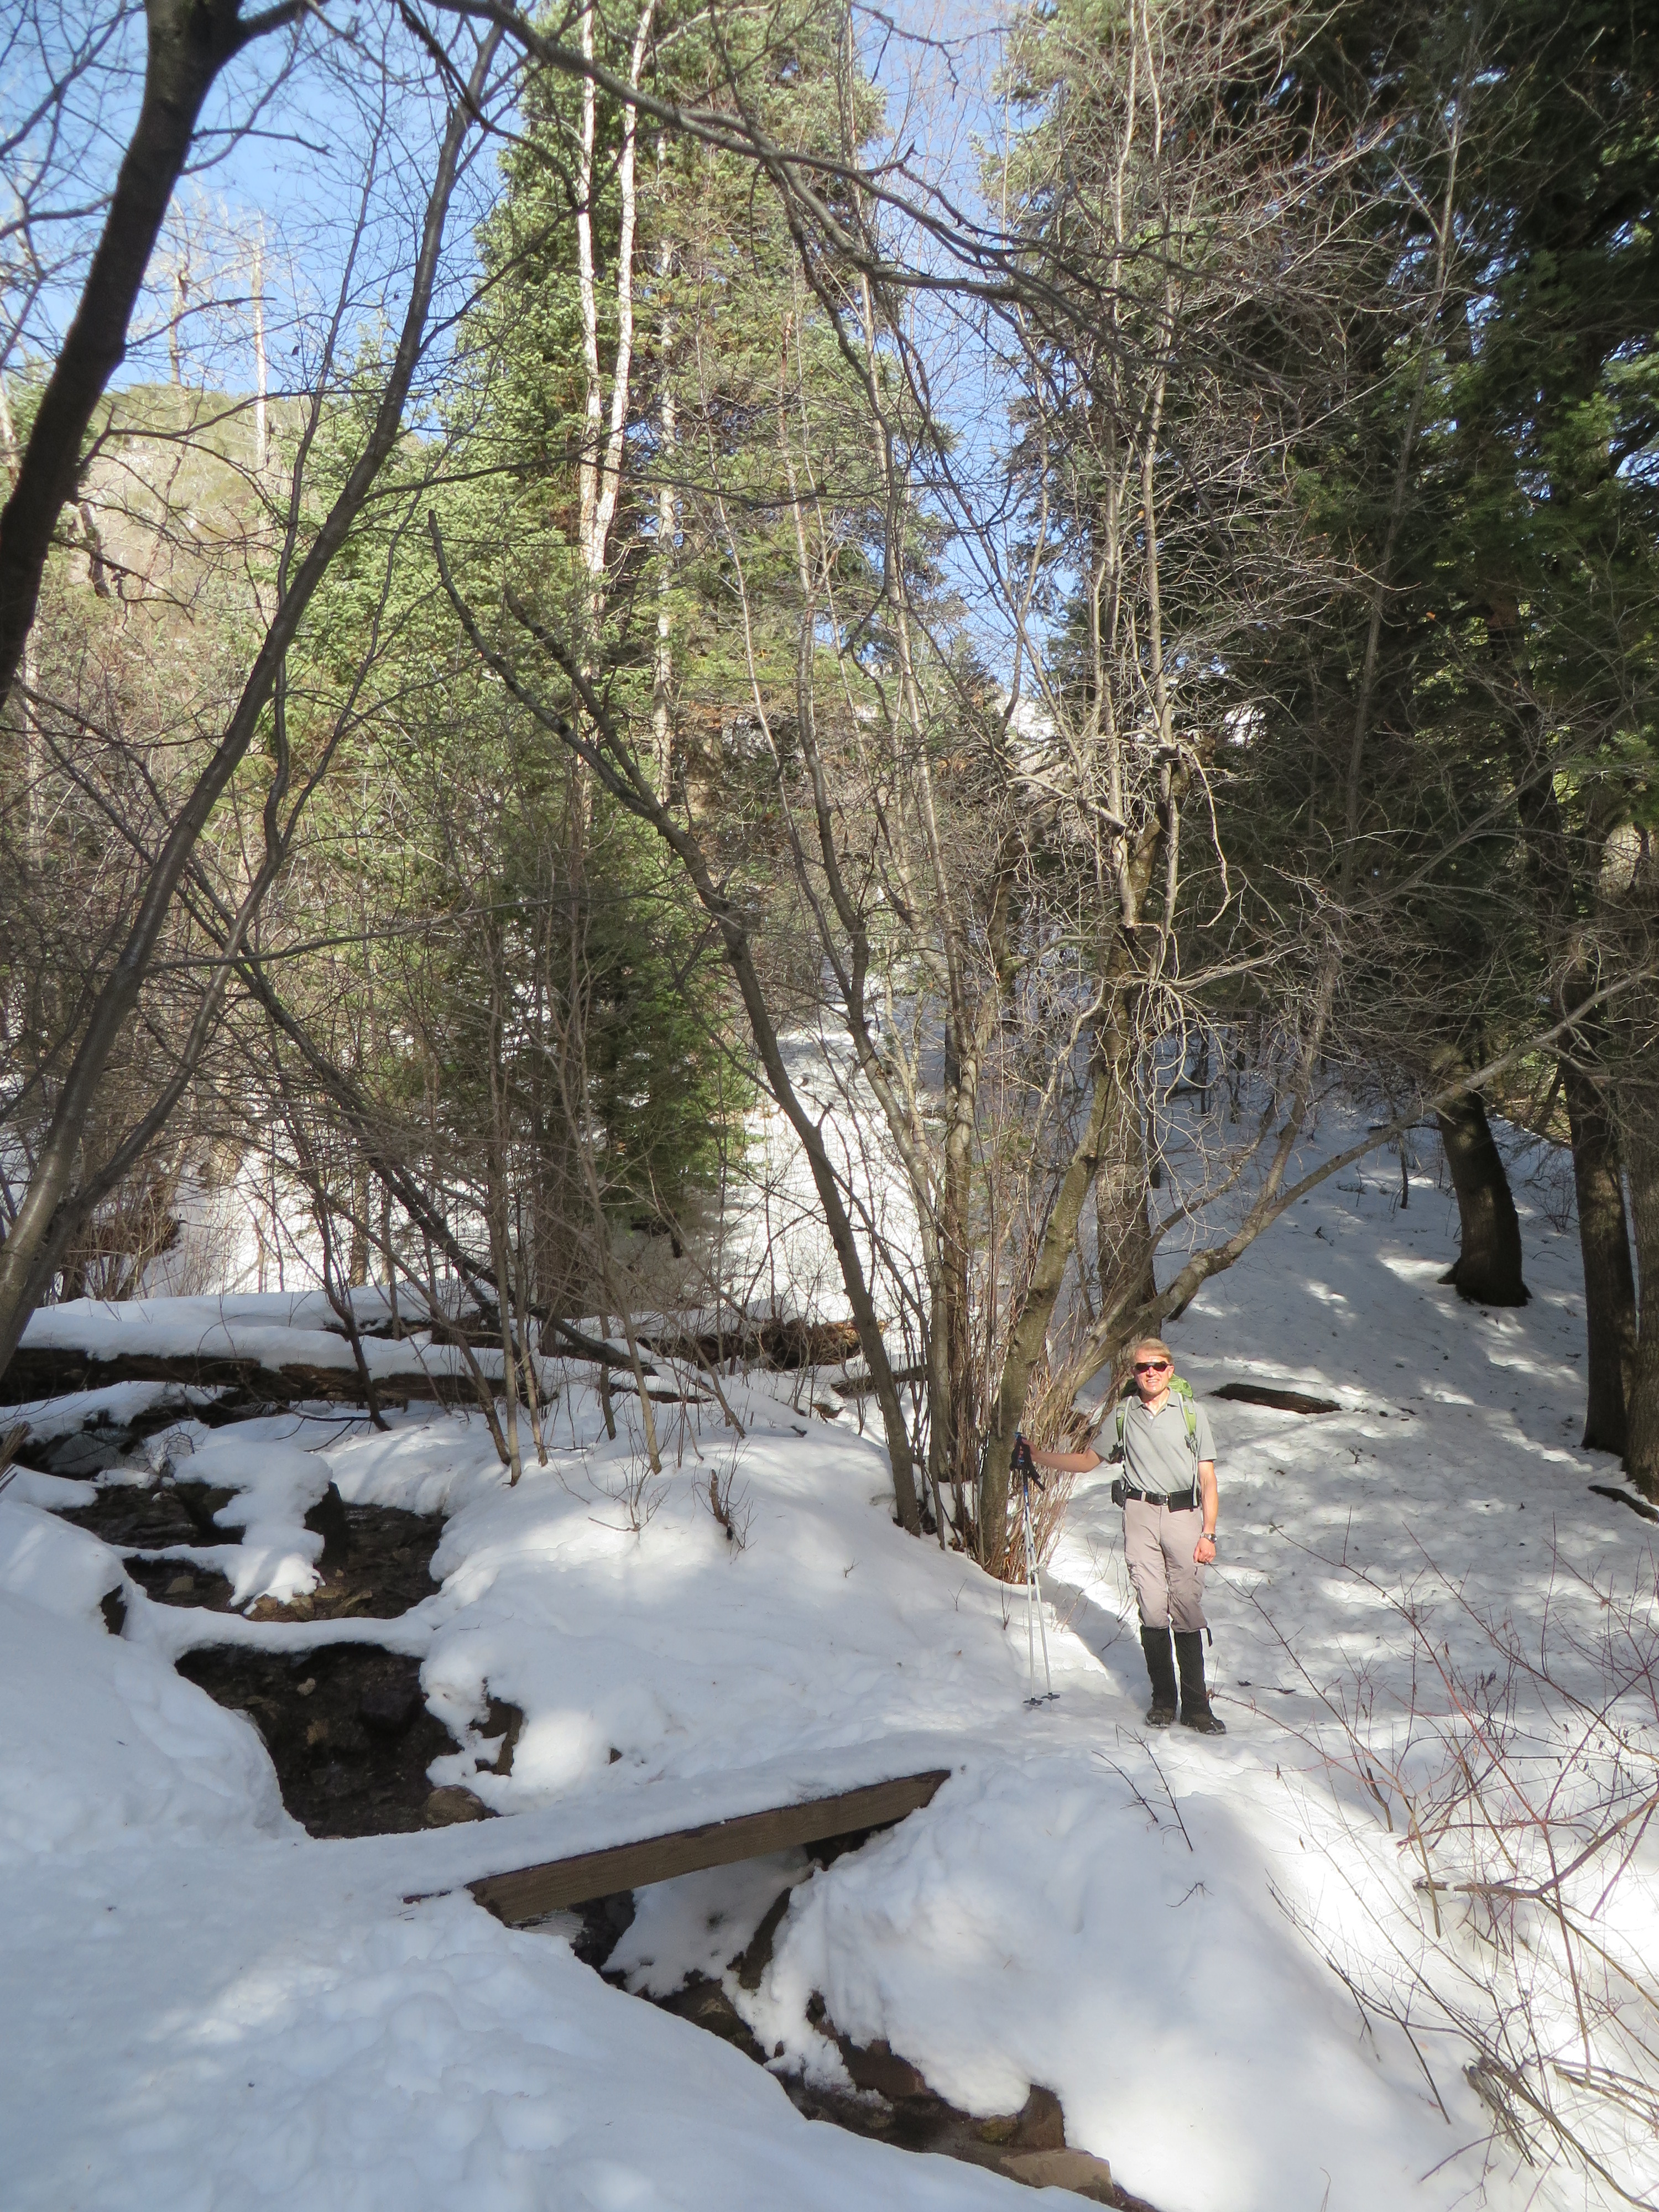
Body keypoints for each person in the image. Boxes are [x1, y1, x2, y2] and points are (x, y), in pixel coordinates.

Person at [1029, 1338, 1225, 1735]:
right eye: (1142, 1367)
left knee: (1186, 1607)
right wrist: (1036, 1455)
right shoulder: (1123, 1415)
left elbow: (1208, 1478)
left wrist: (1209, 1533)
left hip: (1184, 1516)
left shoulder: (1191, 1413)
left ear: (1170, 1369)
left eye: (1158, 1366)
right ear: (1133, 1373)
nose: (1150, 1373)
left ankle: (1197, 1708)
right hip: (1139, 1517)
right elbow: (1087, 1462)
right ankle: (1163, 1702)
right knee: (1151, 1609)